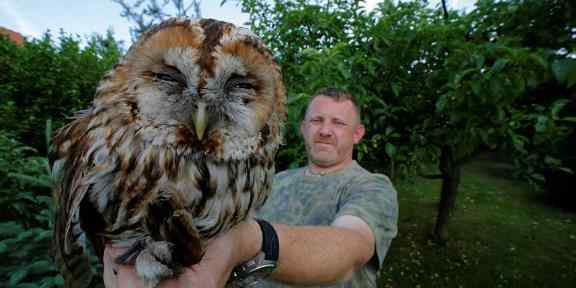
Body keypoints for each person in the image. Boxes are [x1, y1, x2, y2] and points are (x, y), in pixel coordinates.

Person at [104, 87, 398, 288]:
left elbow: (349, 249)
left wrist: (252, 240)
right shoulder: (273, 181)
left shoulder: (371, 186)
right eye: (317, 120)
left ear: (358, 133)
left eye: (338, 123)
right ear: (303, 128)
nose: (324, 130)